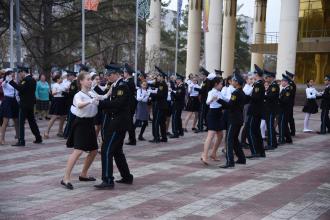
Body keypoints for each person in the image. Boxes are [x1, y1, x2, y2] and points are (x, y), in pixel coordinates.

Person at [95, 64, 133, 189]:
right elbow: (106, 97)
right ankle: (127, 177)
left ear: (117, 74)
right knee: (117, 151)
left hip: (118, 123)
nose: (107, 77)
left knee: (106, 150)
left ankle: (108, 179)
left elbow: (118, 104)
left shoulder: (122, 86)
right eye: (107, 75)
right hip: (117, 122)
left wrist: (101, 103)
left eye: (109, 74)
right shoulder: (114, 86)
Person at [61, 71, 101, 190]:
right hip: (81, 124)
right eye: (88, 79)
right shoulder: (78, 95)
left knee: (93, 150)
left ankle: (83, 174)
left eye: (90, 79)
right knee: (78, 151)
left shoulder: (91, 93)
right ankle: (65, 178)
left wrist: (109, 91)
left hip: (90, 123)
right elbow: (79, 105)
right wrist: (91, 101)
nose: (90, 81)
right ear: (81, 81)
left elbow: (101, 97)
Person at [7, 66, 42, 146]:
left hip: (24, 104)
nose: (19, 75)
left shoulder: (26, 80)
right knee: (32, 121)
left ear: (23, 72)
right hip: (30, 104)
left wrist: (11, 82)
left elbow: (20, 88)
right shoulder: (33, 79)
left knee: (21, 122)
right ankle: (38, 137)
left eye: (20, 73)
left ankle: (21, 140)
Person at [218, 71, 246, 168]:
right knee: (234, 139)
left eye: (234, 80)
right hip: (238, 119)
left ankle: (230, 161)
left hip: (233, 119)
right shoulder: (241, 92)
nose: (232, 82)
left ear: (237, 82)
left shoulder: (236, 93)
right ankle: (241, 158)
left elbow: (230, 105)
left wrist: (219, 100)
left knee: (229, 140)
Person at [201, 77, 225, 165]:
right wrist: (212, 99)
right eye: (221, 84)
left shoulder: (220, 92)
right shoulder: (211, 92)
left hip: (219, 114)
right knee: (210, 135)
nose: (222, 85)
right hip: (212, 114)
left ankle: (213, 153)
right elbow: (207, 102)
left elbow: (226, 100)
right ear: (216, 84)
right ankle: (204, 155)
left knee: (220, 135)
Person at [245, 64, 266, 159]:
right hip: (256, 111)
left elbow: (256, 98)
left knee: (250, 130)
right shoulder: (258, 84)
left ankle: (254, 151)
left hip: (254, 111)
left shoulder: (258, 85)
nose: (252, 74)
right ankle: (261, 152)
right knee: (256, 131)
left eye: (254, 73)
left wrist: (247, 97)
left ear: (257, 74)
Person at [149, 66, 169, 143]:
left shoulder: (162, 85)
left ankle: (156, 138)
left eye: (158, 76)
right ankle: (164, 137)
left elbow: (160, 95)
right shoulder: (161, 84)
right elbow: (153, 84)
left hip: (160, 106)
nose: (157, 77)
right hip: (163, 106)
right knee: (161, 122)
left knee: (156, 121)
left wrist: (151, 94)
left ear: (162, 77)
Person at [44, 74, 67, 138]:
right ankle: (46, 131)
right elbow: (53, 93)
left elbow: (66, 89)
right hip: (57, 100)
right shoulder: (55, 85)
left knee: (63, 116)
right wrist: (59, 91)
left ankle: (60, 131)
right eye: (61, 78)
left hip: (63, 100)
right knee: (54, 116)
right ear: (57, 79)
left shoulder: (63, 84)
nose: (62, 79)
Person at [0, 69, 19, 145]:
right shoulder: (4, 81)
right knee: (5, 121)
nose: (13, 75)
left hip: (14, 101)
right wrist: (7, 80)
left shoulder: (14, 82)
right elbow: (2, 85)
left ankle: (18, 136)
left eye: (14, 73)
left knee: (16, 120)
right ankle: (2, 139)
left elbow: (17, 92)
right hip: (7, 100)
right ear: (8, 75)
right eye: (12, 74)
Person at [263, 69, 279, 150]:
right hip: (269, 109)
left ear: (271, 78)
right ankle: (274, 143)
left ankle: (271, 144)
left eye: (267, 77)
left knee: (270, 126)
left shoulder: (274, 86)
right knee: (270, 126)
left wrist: (263, 95)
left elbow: (271, 97)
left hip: (271, 109)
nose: (266, 79)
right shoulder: (272, 85)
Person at [123, 63, 137, 145]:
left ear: (127, 73)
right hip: (130, 104)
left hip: (130, 104)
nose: (123, 74)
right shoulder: (129, 81)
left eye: (124, 72)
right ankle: (132, 139)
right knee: (129, 122)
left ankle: (132, 140)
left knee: (129, 123)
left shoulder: (129, 82)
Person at [63, 70, 79, 139]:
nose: (68, 77)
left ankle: (66, 134)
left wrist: (64, 93)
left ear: (72, 76)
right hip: (74, 103)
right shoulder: (76, 82)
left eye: (69, 76)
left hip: (72, 103)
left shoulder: (73, 83)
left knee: (70, 119)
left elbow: (72, 94)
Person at [278, 74, 293, 145]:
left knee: (281, 123)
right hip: (282, 109)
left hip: (284, 109)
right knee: (284, 124)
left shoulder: (288, 90)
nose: (281, 82)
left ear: (286, 82)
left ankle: (281, 139)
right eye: (281, 81)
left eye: (283, 81)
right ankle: (288, 138)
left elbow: (285, 100)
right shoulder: (284, 89)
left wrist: (277, 100)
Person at [91, 73, 107, 139]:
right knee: (96, 127)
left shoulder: (98, 86)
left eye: (99, 79)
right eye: (96, 79)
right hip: (95, 109)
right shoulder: (93, 88)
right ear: (92, 80)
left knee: (99, 126)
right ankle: (92, 141)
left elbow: (104, 89)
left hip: (99, 108)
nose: (98, 80)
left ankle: (93, 142)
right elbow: (103, 94)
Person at [241, 73, 254, 149]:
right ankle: (242, 141)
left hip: (249, 105)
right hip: (246, 106)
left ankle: (244, 140)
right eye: (250, 79)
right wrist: (253, 87)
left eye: (252, 79)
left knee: (248, 123)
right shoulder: (246, 87)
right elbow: (248, 94)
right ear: (246, 80)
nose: (252, 81)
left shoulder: (250, 86)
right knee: (246, 123)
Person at [196, 67, 211, 133]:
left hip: (204, 100)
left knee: (201, 114)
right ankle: (207, 127)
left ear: (204, 75)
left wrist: (196, 89)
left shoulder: (206, 82)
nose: (200, 76)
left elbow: (204, 91)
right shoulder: (205, 81)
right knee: (205, 114)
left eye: (201, 75)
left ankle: (200, 127)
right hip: (205, 99)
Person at [285, 71, 296, 136]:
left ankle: (292, 131)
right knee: (289, 118)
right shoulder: (290, 83)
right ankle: (292, 131)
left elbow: (289, 94)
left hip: (289, 103)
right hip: (289, 103)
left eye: (287, 76)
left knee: (289, 118)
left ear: (289, 77)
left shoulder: (291, 84)